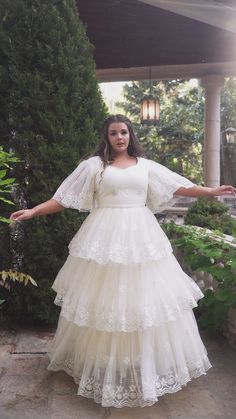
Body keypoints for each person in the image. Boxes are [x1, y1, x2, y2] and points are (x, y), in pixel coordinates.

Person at [10, 114, 236, 408]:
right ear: (106, 137)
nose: (119, 137)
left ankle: (145, 362)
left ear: (131, 136)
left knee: (145, 299)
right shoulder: (94, 166)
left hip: (142, 236)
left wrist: (209, 191)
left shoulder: (146, 166)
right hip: (104, 236)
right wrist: (32, 212)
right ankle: (103, 363)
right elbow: (63, 198)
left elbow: (177, 185)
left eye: (124, 132)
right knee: (104, 300)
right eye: (114, 133)